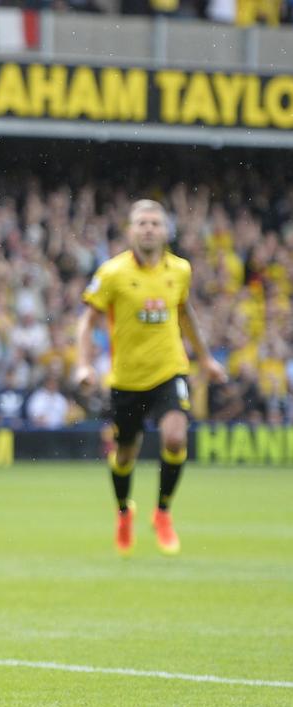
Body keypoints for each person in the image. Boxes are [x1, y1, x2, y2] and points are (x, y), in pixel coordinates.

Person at [74, 200, 228, 557]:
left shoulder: (181, 270)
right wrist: (83, 364)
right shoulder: (112, 273)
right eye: (141, 223)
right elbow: (87, 321)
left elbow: (184, 312)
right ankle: (124, 510)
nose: (148, 229)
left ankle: (163, 512)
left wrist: (204, 358)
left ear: (165, 231)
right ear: (129, 230)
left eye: (155, 223)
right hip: (126, 379)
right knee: (125, 454)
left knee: (175, 438)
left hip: (169, 370)